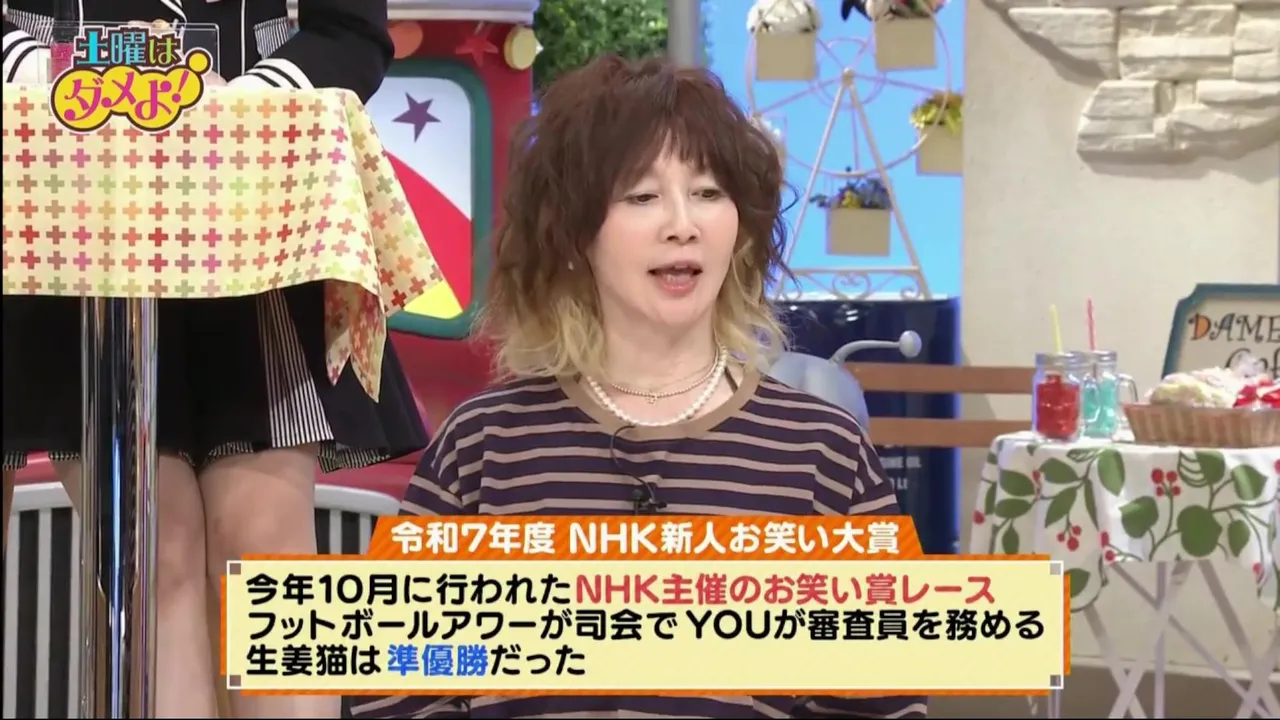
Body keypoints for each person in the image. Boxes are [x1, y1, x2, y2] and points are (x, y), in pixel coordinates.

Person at [349, 54, 928, 720]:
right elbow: (392, 693)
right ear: (573, 235)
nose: (682, 224)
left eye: (708, 193)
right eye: (642, 196)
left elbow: (883, 702)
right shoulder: (483, 446)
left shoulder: (823, 453)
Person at [1, 1, 428, 717]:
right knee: (152, 549)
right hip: (60, 202)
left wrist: (236, 108)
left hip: (252, 203)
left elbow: (350, 28)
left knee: (265, 552)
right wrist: (43, 72)